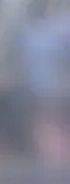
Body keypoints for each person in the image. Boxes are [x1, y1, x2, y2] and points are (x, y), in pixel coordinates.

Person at [17, 12, 70, 169]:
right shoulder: (62, 28)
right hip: (53, 86)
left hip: (34, 86)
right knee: (53, 119)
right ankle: (56, 156)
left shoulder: (29, 32)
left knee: (43, 120)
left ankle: (48, 156)